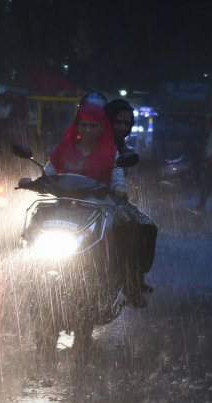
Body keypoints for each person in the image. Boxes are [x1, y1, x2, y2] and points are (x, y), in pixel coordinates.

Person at [44, 102, 151, 307]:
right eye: (84, 125)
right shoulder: (64, 150)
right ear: (77, 126)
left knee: (130, 228)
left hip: (101, 206)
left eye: (93, 126)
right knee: (36, 220)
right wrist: (33, 182)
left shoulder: (110, 152)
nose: (88, 130)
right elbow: (49, 171)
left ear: (101, 128)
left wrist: (120, 187)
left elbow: (117, 173)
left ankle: (127, 279)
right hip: (67, 205)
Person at [104, 99, 158, 294]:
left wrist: (122, 188)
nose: (122, 127)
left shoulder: (122, 149)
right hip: (80, 198)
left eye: (127, 124)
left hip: (110, 201)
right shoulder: (93, 141)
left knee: (146, 227)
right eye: (117, 122)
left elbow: (120, 174)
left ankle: (132, 276)